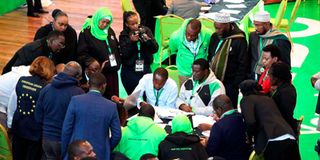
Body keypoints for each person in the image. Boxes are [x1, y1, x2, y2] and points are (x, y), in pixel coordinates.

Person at [62, 72, 122, 160]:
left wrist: (65, 151)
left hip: (77, 152)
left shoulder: (76, 100)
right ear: (104, 85)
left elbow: (66, 129)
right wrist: (107, 148)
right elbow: (117, 134)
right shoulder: (111, 106)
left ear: (88, 84)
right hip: (100, 153)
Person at [239, 80, 300, 160]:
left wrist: (250, 139)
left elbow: (250, 122)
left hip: (273, 140)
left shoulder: (246, 100)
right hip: (290, 136)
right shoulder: (268, 98)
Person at [35, 61, 85, 159]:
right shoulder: (79, 93)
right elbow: (80, 121)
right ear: (77, 76)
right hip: (65, 141)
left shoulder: (46, 89)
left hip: (46, 139)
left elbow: (38, 116)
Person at [11, 56, 56, 160]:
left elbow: (14, 102)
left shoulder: (21, 80)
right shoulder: (47, 88)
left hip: (18, 127)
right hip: (35, 132)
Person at [78, 7, 121, 99]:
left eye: (107, 22)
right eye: (103, 22)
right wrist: (93, 62)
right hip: (98, 74)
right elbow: (81, 54)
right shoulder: (86, 32)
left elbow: (115, 47)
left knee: (113, 99)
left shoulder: (109, 30)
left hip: (112, 73)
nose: (105, 24)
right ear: (97, 19)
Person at [208, 13, 248, 107]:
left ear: (227, 24)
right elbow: (210, 55)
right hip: (214, 80)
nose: (217, 31)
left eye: (220, 28)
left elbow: (243, 63)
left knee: (229, 108)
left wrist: (236, 84)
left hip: (230, 83)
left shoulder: (239, 39)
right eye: (216, 28)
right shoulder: (215, 37)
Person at [120, 11, 158, 95]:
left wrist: (148, 40)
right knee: (133, 96)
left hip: (145, 68)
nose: (135, 26)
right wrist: (131, 42)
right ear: (127, 24)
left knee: (147, 95)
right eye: (132, 24)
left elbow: (155, 49)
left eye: (137, 23)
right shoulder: (124, 35)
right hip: (130, 71)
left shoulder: (145, 30)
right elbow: (124, 54)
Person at [248, 11, 291, 80]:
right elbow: (250, 57)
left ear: (267, 24)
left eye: (258, 25)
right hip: (253, 77)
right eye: (254, 25)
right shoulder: (253, 36)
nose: (255, 28)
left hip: (270, 79)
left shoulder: (280, 40)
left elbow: (285, 66)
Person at [169, 18, 212, 85]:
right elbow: (173, 50)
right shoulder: (175, 37)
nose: (189, 37)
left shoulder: (208, 35)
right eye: (187, 33)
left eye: (193, 35)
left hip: (201, 72)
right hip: (184, 72)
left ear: (199, 33)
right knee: (184, 93)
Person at [205, 95, 249, 160]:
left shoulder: (218, 126)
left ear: (219, 109)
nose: (215, 113)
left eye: (215, 111)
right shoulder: (243, 118)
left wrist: (207, 142)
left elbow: (210, 151)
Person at [269, 62, 299, 136]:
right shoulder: (283, 88)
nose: (268, 77)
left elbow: (286, 115)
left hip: (283, 131)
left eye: (270, 74)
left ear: (277, 77)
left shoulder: (287, 92)